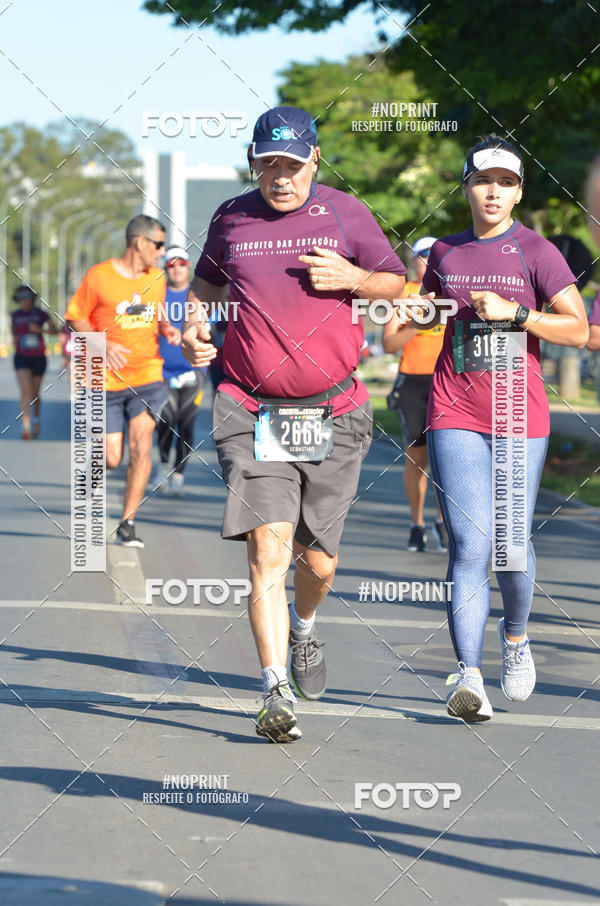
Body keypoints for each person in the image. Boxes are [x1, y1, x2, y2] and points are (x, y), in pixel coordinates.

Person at [181, 106, 406, 742]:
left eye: (292, 165)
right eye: (267, 165)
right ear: (253, 164)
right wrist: (196, 324)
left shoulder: (344, 212)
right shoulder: (231, 216)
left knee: (321, 563)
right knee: (266, 549)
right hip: (250, 407)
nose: (280, 178)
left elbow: (401, 284)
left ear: (314, 159)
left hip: (333, 409)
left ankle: (304, 626)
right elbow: (204, 289)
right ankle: (274, 687)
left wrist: (358, 277)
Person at [417, 135, 589, 722]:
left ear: (519, 192)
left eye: (507, 182)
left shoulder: (538, 252)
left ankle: (515, 639)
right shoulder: (443, 252)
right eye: (484, 180)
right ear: (466, 185)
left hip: (520, 413)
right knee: (470, 545)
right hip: (454, 408)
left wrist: (518, 314)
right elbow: (430, 312)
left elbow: (578, 330)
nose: (494, 191)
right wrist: (419, 311)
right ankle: (467, 675)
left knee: (510, 548)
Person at [66, 215, 179, 548]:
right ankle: (93, 475)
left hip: (147, 377)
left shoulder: (156, 278)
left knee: (141, 449)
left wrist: (167, 328)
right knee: (112, 458)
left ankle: (128, 522)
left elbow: (156, 314)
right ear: (139, 242)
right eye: (158, 245)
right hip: (104, 382)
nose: (162, 253)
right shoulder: (99, 276)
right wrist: (101, 342)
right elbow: (74, 317)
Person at [383, 236, 448, 553]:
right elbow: (388, 344)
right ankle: (417, 524)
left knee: (449, 458)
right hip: (412, 383)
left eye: (437, 255)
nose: (431, 260)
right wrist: (418, 327)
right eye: (425, 255)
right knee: (417, 458)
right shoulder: (402, 294)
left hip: (448, 381)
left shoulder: (451, 291)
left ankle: (444, 522)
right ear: (413, 260)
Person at [153, 246, 204, 497]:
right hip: (162, 371)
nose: (176, 268)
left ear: (188, 266)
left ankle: (179, 475)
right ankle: (163, 467)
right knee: (166, 420)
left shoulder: (198, 294)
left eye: (181, 263)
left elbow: (211, 326)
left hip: (194, 371)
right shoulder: (156, 294)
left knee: (186, 423)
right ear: (165, 268)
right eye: (171, 264)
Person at [11, 284, 58, 439]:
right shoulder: (15, 315)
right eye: (21, 299)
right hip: (22, 357)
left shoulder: (41, 314)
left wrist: (40, 331)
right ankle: (26, 426)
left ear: (32, 299)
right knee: (25, 392)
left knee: (34, 393)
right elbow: (13, 331)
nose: (24, 302)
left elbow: (55, 330)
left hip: (38, 357)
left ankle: (36, 420)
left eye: (27, 299)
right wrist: (15, 339)